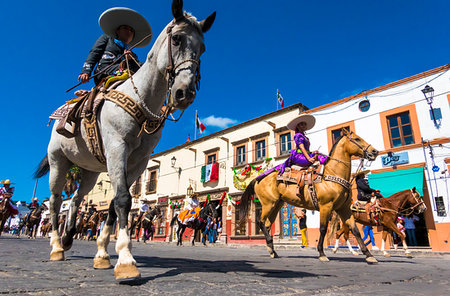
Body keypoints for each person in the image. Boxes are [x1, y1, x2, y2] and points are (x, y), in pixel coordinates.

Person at [78, 7, 152, 86]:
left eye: (131, 31)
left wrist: (130, 58)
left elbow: (137, 67)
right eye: (125, 28)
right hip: (104, 70)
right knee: (127, 70)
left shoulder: (132, 54)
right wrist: (85, 71)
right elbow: (94, 53)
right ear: (117, 30)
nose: (128, 31)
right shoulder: (107, 38)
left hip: (126, 71)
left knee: (145, 66)